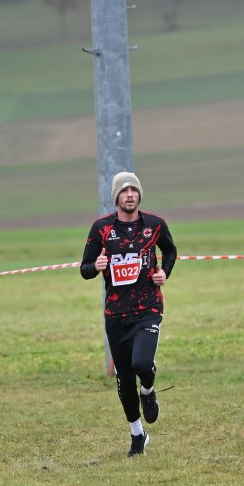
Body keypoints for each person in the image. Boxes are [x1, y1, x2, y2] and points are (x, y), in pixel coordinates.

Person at [80, 171, 177, 456]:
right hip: (116, 314)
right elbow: (85, 269)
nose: (130, 195)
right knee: (124, 380)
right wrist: (96, 266)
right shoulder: (101, 229)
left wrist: (164, 272)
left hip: (148, 308)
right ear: (117, 197)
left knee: (142, 363)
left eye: (134, 190)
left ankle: (148, 389)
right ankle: (138, 435)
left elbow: (170, 251)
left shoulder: (154, 225)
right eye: (124, 191)